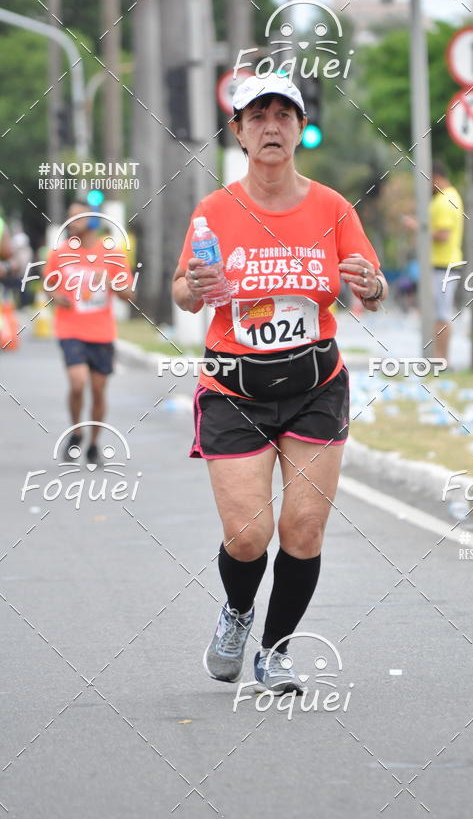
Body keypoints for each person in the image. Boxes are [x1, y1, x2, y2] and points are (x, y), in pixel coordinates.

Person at [172, 74, 387, 694]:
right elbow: (184, 293)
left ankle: (276, 648)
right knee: (248, 537)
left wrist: (369, 286)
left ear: (300, 129)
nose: (271, 126)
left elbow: (369, 287)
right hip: (234, 391)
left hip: (316, 386)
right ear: (237, 132)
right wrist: (196, 289)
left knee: (303, 528)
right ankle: (238, 611)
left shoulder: (331, 208)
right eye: (257, 116)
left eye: (283, 115)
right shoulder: (215, 211)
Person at [45, 202, 134, 464]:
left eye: (78, 218)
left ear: (93, 222)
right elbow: (49, 284)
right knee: (77, 382)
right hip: (70, 328)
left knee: (98, 390)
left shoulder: (113, 255)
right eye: (69, 217)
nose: (71, 222)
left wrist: (113, 284)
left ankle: (93, 442)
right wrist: (56, 296)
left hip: (102, 332)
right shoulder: (60, 254)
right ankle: (77, 430)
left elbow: (129, 294)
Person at [402, 161, 464, 364]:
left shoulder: (445, 201)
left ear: (435, 177)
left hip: (443, 266)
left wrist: (417, 227)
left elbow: (443, 235)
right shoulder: (449, 197)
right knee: (439, 314)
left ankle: (441, 360)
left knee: (441, 316)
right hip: (442, 265)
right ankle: (440, 359)